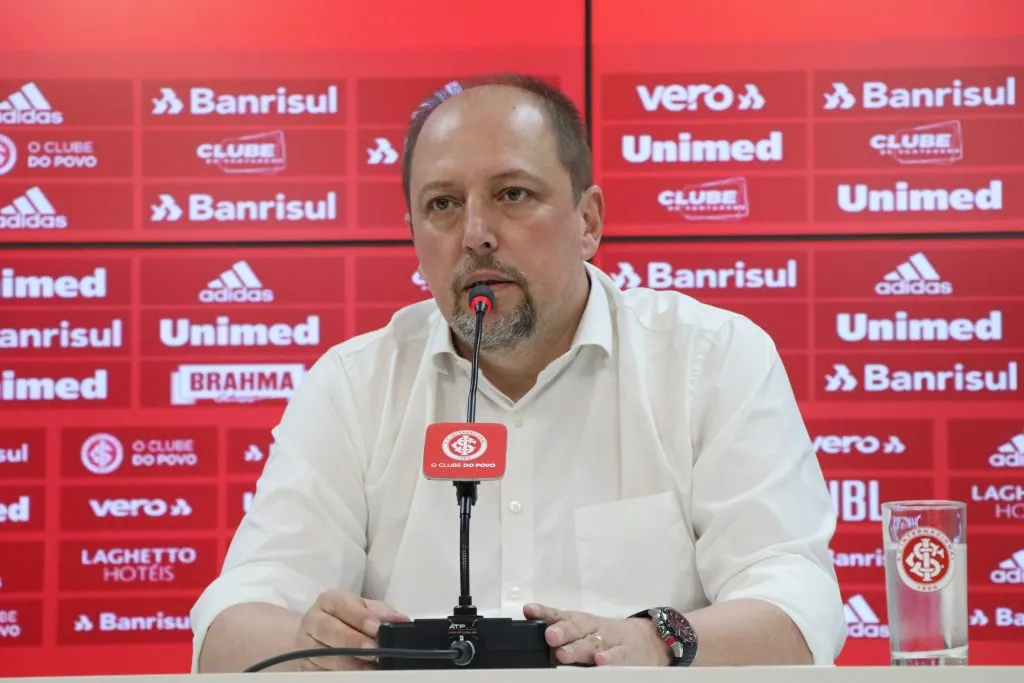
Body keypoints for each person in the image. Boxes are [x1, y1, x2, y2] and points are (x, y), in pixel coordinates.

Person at [190, 73, 846, 672]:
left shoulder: (712, 359)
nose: (475, 234)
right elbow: (230, 622)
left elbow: (797, 601)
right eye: (443, 204)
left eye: (512, 195)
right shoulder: (354, 385)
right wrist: (309, 645)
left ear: (588, 221)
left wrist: (657, 639)